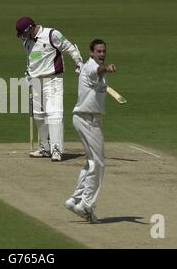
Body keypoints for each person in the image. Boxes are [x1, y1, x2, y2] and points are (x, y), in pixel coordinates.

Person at [15, 16, 83, 162]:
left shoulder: (52, 35)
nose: (22, 36)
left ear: (30, 28)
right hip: (36, 82)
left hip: (52, 80)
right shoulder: (27, 43)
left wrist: (79, 62)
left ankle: (57, 149)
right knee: (39, 115)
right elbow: (31, 62)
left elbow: (69, 47)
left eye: (23, 33)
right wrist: (28, 74)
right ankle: (45, 148)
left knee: (54, 114)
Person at [64, 39, 116, 223]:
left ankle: (75, 200)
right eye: (98, 51)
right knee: (99, 163)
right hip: (88, 119)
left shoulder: (88, 67)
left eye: (104, 51)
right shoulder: (93, 67)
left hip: (85, 118)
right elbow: (98, 71)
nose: (102, 54)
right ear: (92, 53)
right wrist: (106, 68)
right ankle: (86, 204)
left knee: (91, 162)